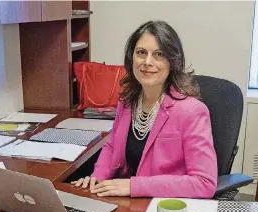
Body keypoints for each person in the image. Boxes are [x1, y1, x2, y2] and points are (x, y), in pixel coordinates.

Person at [72, 20, 217, 198]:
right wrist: (97, 179)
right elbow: (112, 146)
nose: (148, 62)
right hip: (127, 203)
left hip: (165, 208)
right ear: (131, 57)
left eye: (159, 54)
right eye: (141, 53)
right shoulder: (127, 102)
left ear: (173, 61)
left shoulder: (191, 111)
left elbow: (204, 183)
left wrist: (133, 186)